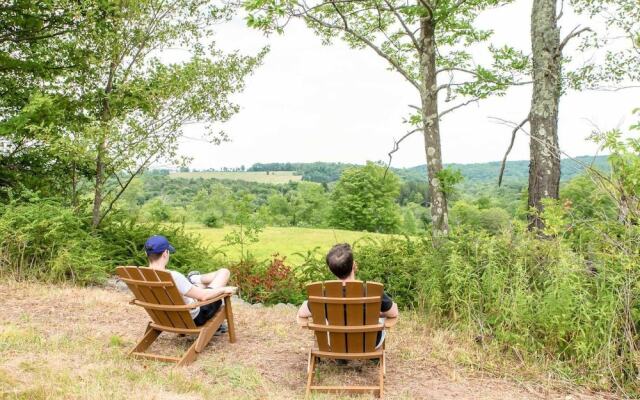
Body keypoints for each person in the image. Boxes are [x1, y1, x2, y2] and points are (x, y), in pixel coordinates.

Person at [297, 243, 398, 347]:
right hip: (370, 343)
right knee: (380, 321)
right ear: (354, 265)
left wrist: (321, 313)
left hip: (336, 343)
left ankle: (341, 356)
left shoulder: (322, 294)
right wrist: (376, 312)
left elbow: (302, 313)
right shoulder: (372, 291)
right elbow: (393, 313)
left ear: (330, 269)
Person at [145, 235, 235, 330]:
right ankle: (194, 278)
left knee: (202, 284)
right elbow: (203, 296)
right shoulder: (173, 276)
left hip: (164, 317)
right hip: (194, 317)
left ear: (146, 253)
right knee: (224, 272)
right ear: (165, 254)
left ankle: (194, 279)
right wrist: (224, 289)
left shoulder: (141, 275)